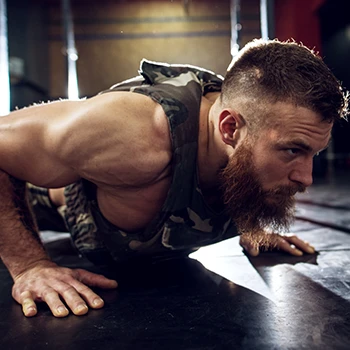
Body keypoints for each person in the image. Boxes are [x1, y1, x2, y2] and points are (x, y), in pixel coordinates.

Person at [0, 38, 348, 319]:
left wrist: (252, 222)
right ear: (229, 128)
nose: (306, 178)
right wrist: (30, 265)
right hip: (43, 202)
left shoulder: (249, 132)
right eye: (292, 151)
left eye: (313, 154)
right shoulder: (134, 134)